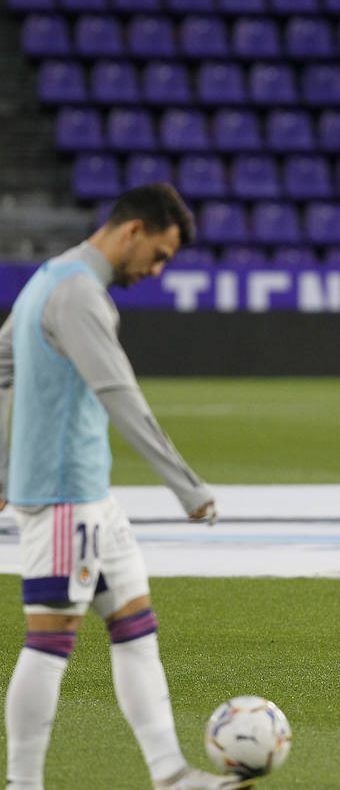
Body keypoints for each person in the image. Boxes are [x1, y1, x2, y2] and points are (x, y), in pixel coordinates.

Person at [0, 184, 247, 790]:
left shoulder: (46, 279)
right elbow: (119, 395)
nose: (157, 270)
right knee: (50, 640)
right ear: (132, 230)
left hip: (90, 499)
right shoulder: (79, 294)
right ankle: (23, 783)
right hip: (64, 500)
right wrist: (186, 486)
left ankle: (169, 773)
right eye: (159, 254)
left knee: (136, 629)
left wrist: (5, 468)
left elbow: (2, 363)